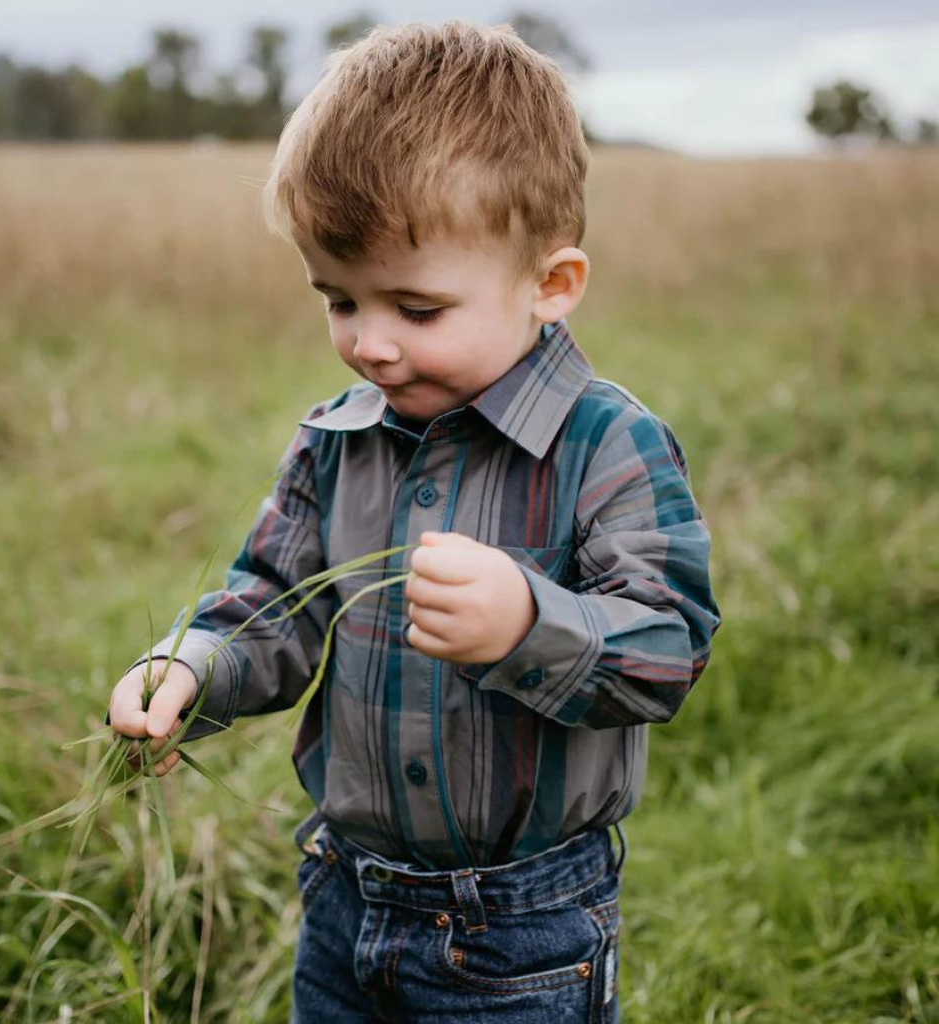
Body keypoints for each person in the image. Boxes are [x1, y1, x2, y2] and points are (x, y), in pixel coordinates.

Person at [108, 20, 721, 1024]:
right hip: (344, 891)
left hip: (522, 926)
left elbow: (670, 648)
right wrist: (190, 668)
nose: (371, 345)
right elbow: (270, 607)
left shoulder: (607, 444)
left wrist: (530, 624)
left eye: (417, 307)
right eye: (338, 299)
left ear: (549, 285)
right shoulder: (334, 444)